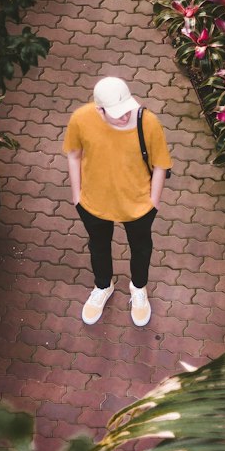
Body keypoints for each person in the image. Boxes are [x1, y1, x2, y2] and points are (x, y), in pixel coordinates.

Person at [63, 75, 172, 326]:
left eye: (126, 110)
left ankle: (138, 288)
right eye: (116, 113)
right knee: (98, 247)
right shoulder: (81, 119)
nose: (124, 116)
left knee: (141, 248)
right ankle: (103, 286)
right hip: (93, 203)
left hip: (138, 205)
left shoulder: (149, 123)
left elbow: (160, 165)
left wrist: (153, 201)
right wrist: (76, 195)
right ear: (99, 109)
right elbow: (74, 155)